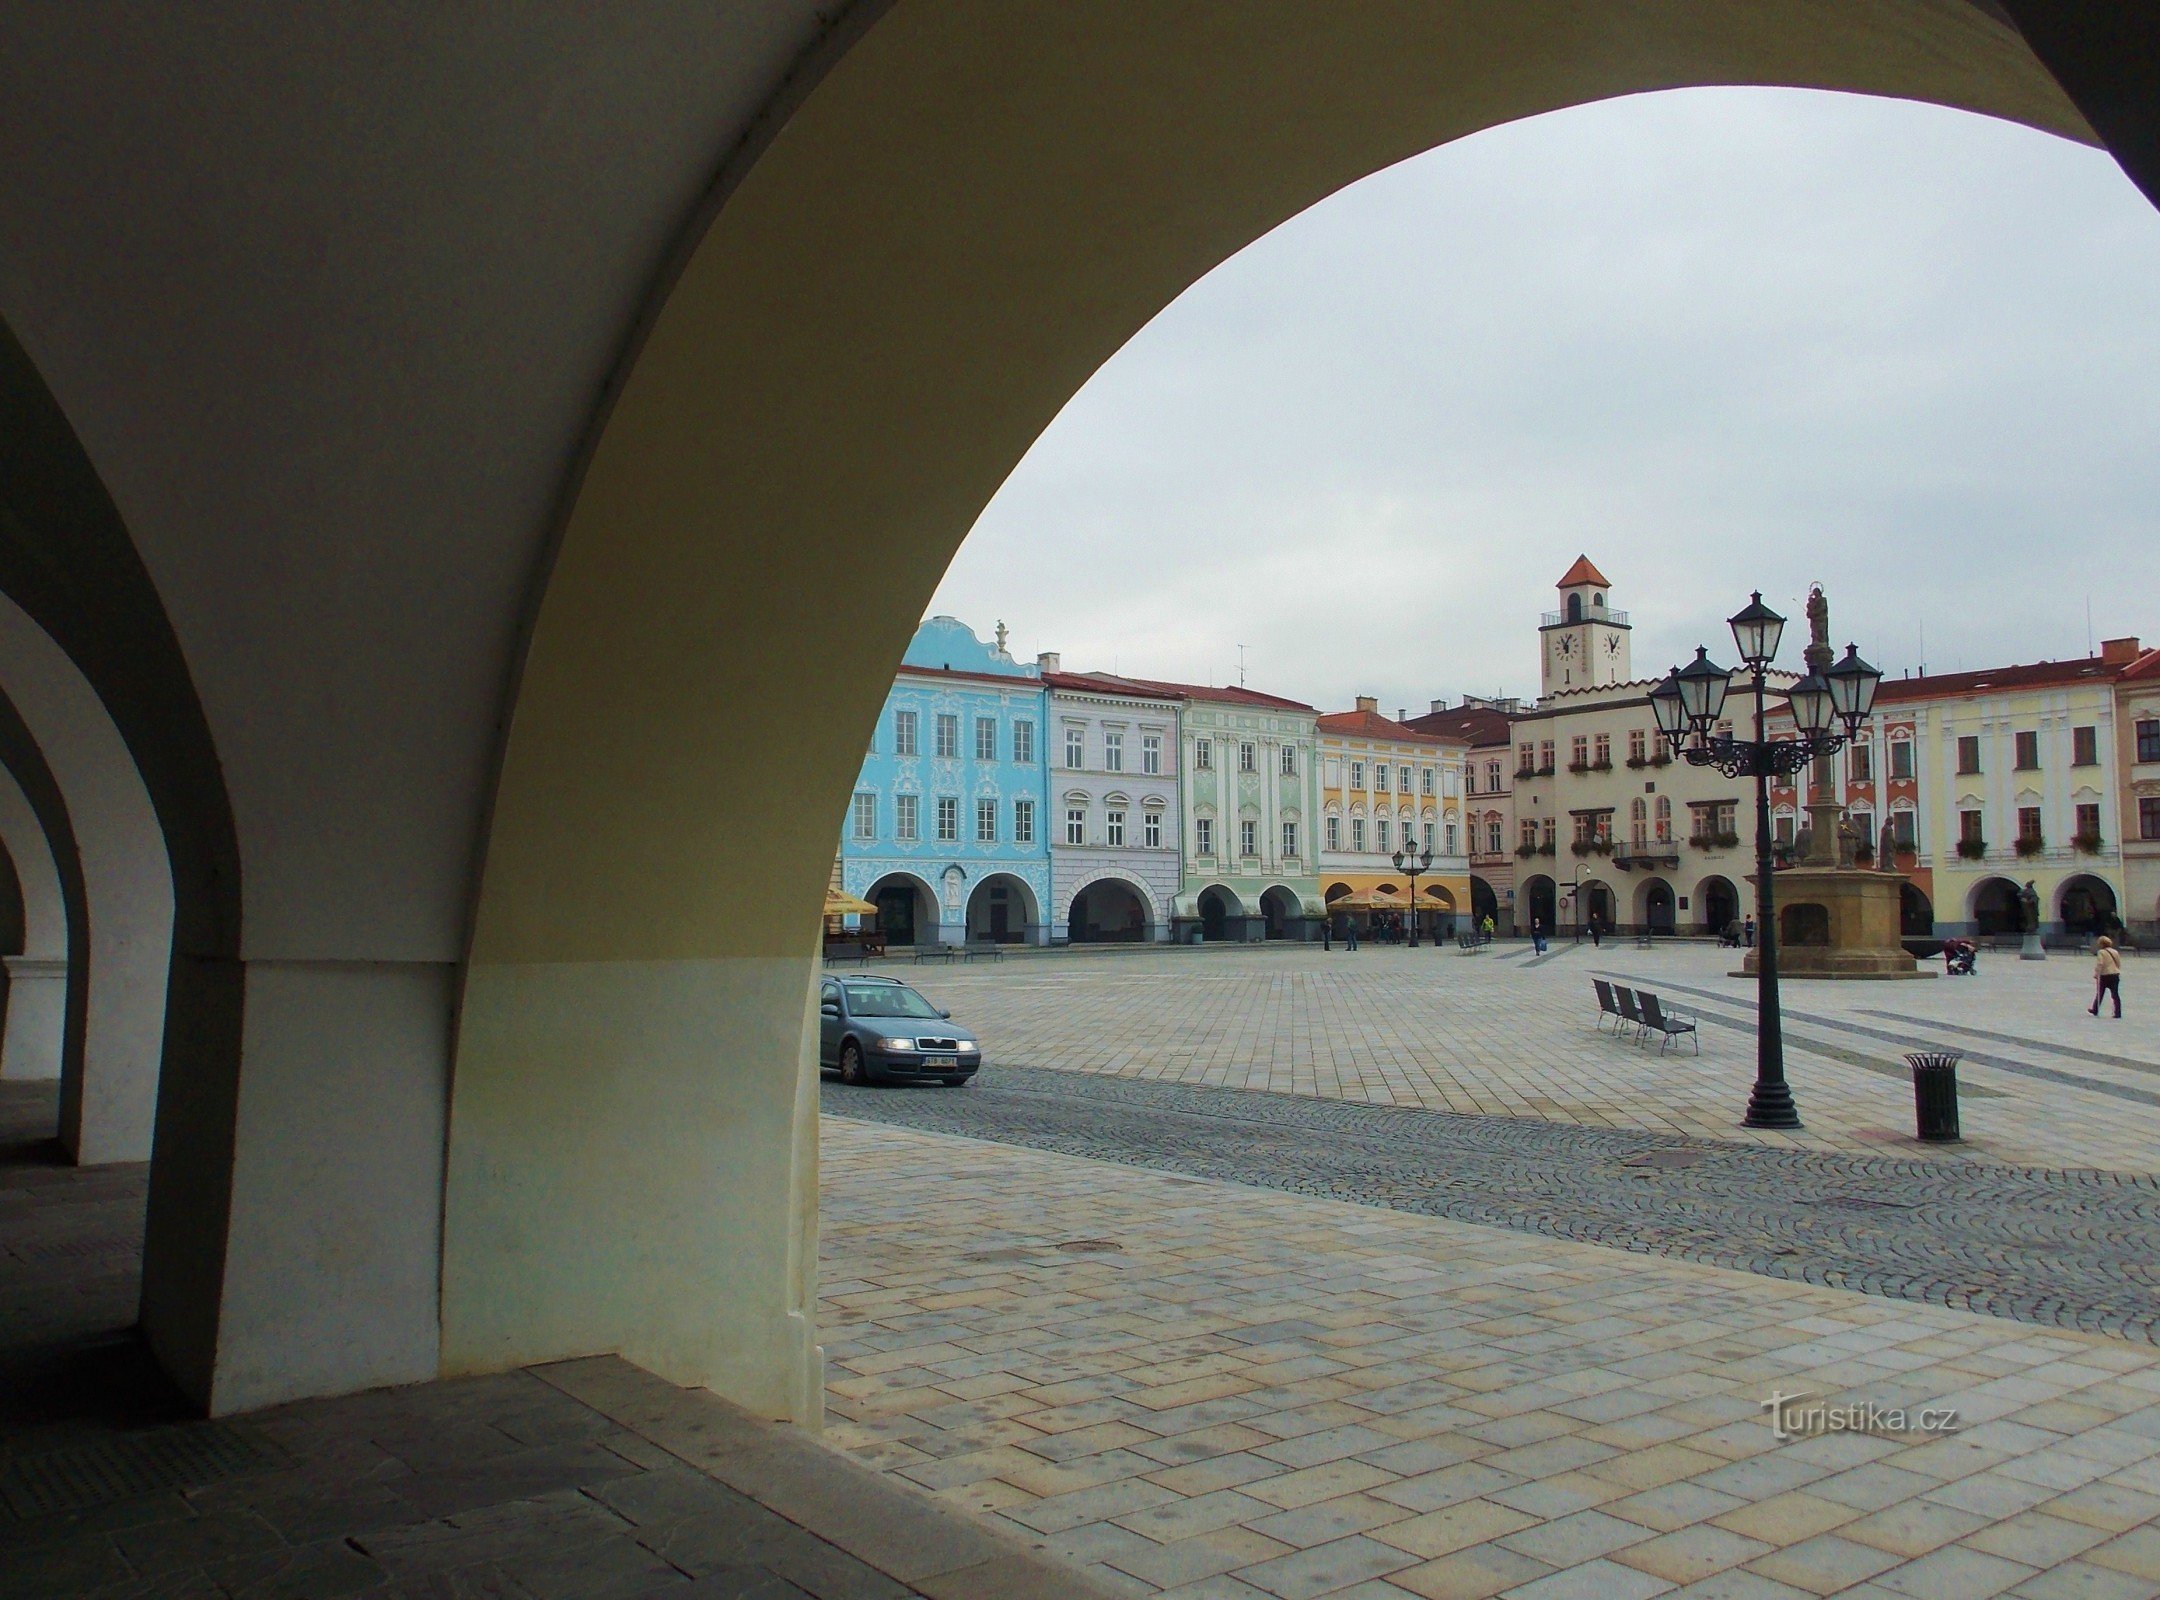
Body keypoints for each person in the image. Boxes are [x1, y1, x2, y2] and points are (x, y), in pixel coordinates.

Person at [2091, 936, 2123, 1019]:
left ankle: (2095, 1009)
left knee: (2100, 993)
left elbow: (2100, 964)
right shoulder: (2115, 951)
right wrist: (2116, 970)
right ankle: (2118, 1013)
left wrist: (2096, 974)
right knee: (2115, 994)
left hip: (2104, 975)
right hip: (2115, 975)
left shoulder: (2101, 952)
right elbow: (2118, 963)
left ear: (2101, 944)